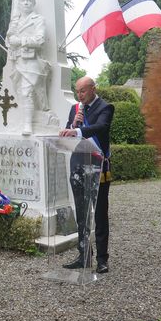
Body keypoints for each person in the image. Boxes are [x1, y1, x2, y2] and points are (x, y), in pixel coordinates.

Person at [59, 76, 114, 274]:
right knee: (81, 213)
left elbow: (101, 128)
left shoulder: (106, 108)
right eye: (77, 91)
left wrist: (79, 131)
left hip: (98, 168)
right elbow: (70, 131)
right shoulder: (75, 110)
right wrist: (74, 124)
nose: (79, 95)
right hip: (78, 165)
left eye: (83, 91)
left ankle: (102, 259)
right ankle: (84, 255)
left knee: (99, 214)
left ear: (92, 89)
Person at [6, 0, 51, 135]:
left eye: (29, 0)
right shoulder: (15, 21)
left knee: (26, 92)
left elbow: (40, 40)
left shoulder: (38, 19)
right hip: (17, 61)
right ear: (19, 4)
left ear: (33, 4)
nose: (25, 3)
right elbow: (9, 40)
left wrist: (20, 41)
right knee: (20, 93)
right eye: (23, 0)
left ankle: (28, 126)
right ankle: (27, 120)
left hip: (31, 61)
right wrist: (11, 40)